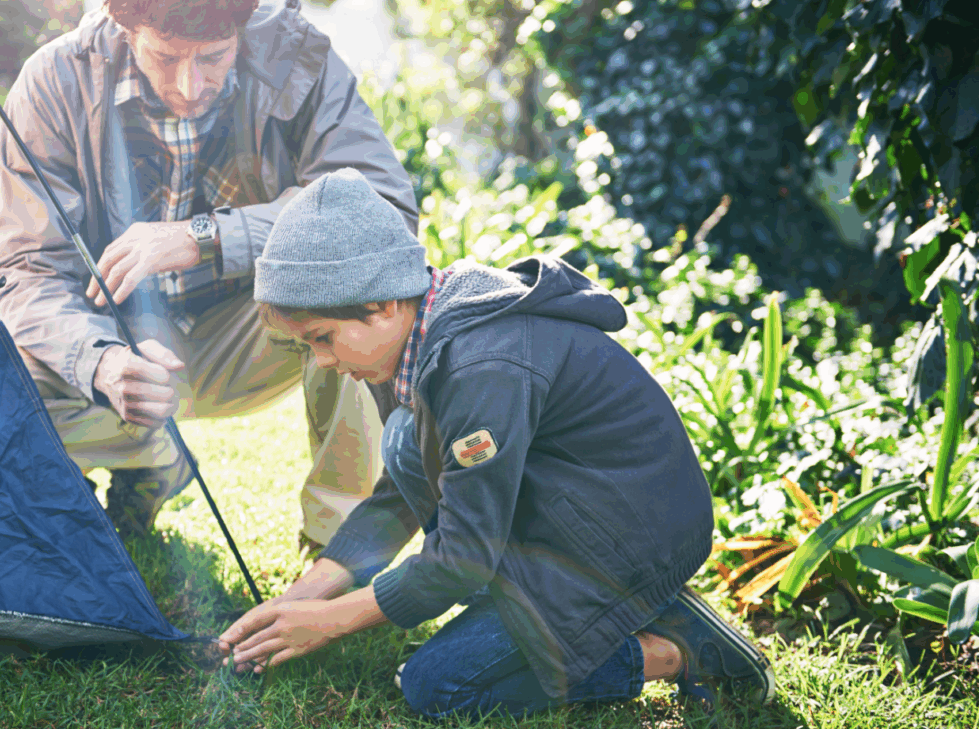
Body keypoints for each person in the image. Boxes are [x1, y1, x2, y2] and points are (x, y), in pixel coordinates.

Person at [217, 169, 774, 718]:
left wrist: (332, 622)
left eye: (323, 338)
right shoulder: (415, 343)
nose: (324, 362)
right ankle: (564, 604)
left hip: (628, 540)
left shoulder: (481, 366)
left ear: (383, 304)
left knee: (436, 686)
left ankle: (678, 650)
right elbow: (397, 500)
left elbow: (461, 561)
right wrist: (304, 598)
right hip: (571, 517)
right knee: (405, 443)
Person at [0, 0, 416, 551]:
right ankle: (148, 462)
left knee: (352, 289)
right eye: (165, 57)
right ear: (124, 25)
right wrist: (102, 362)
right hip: (121, 347)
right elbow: (25, 270)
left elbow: (383, 212)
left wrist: (203, 237)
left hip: (255, 332)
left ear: (241, 26)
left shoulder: (297, 56)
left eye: (213, 57)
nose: (189, 85)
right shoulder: (54, 82)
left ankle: (337, 552)